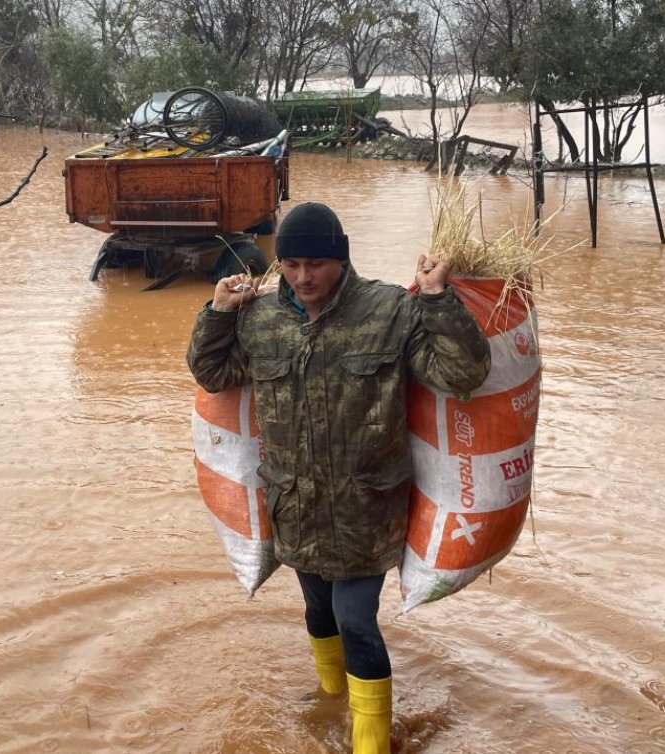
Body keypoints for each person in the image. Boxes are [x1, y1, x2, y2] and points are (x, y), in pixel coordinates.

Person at [186, 202, 490, 754]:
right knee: (318, 609)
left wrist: (440, 298)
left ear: (342, 260)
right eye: (293, 264)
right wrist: (220, 311)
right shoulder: (260, 318)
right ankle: (331, 694)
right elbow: (212, 373)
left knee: (355, 620)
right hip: (295, 501)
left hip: (365, 507)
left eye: (318, 264)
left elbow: (463, 372)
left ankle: (370, 743)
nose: (304, 278)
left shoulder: (390, 308)